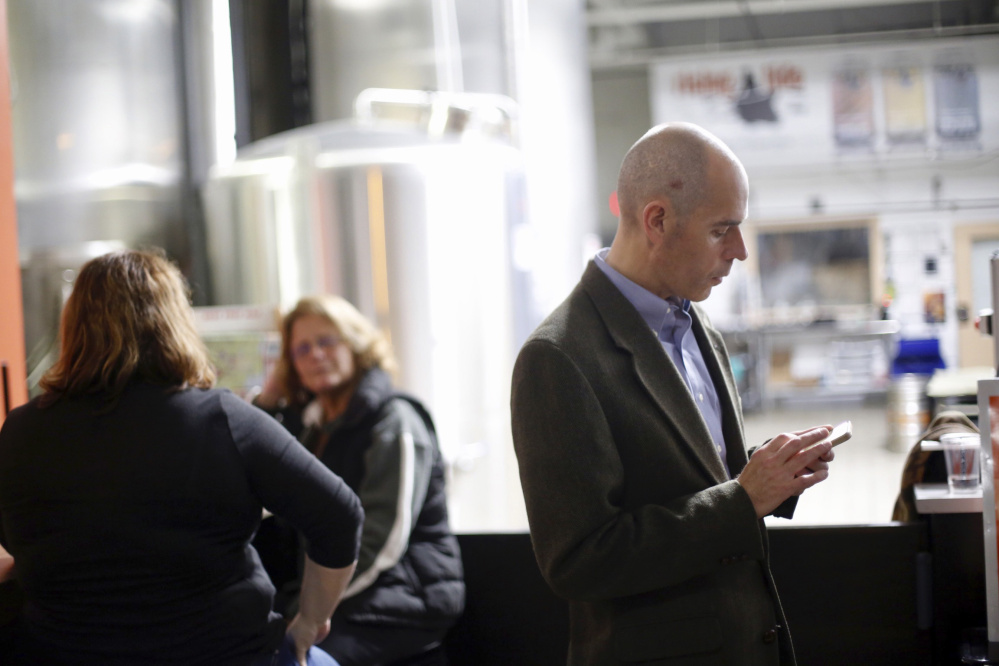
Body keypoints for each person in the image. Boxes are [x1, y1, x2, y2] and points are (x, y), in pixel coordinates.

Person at [510, 122, 836, 666]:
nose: (739, 251)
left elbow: (693, 479)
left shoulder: (697, 325)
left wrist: (773, 472)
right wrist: (742, 499)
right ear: (657, 220)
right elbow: (580, 561)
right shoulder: (559, 357)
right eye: (721, 230)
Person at [0, 250, 364, 666]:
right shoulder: (223, 418)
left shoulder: (21, 431)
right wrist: (308, 624)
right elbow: (340, 514)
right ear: (174, 321)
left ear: (74, 325)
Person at [252, 295, 465, 666]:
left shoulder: (395, 420)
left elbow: (383, 538)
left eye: (326, 341)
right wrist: (270, 399)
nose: (315, 354)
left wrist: (310, 611)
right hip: (343, 600)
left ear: (355, 344)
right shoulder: (313, 429)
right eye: (301, 349)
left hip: (402, 601)